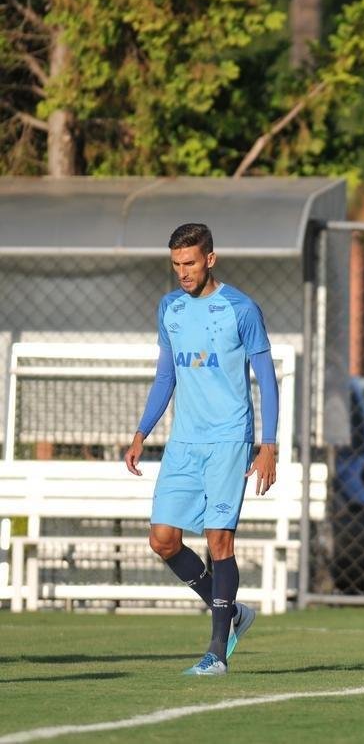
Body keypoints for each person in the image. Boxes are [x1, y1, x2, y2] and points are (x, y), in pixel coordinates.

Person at [124, 223, 278, 676]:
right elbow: (166, 376)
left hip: (230, 438)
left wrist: (268, 444)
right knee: (163, 539)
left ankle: (217, 652)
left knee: (218, 540)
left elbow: (266, 381)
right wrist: (141, 431)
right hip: (184, 442)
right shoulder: (169, 308)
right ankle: (229, 609)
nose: (182, 273)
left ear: (210, 258)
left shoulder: (241, 309)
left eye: (189, 263)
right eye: (175, 264)